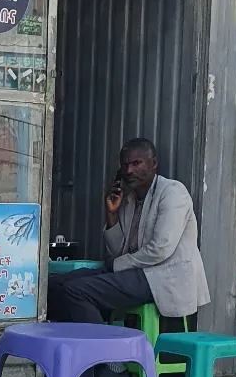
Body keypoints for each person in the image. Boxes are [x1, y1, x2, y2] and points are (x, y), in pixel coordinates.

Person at [49, 137, 210, 327]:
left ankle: (105, 345)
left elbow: (159, 250)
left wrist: (117, 265)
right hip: (132, 272)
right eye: (125, 165)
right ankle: (76, 340)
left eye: (136, 163)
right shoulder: (129, 200)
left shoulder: (173, 192)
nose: (128, 171)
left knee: (77, 291)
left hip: (162, 276)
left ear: (153, 164)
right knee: (53, 286)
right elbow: (118, 252)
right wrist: (112, 214)